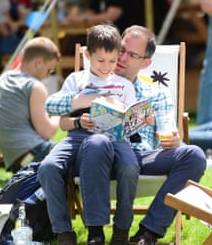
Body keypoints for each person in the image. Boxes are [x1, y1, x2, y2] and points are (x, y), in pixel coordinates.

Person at [42, 25, 207, 245]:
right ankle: (90, 232)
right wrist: (82, 107)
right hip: (91, 153)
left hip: (136, 156)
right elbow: (58, 110)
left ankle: (148, 233)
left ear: (146, 63)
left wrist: (172, 138)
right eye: (121, 50)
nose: (121, 58)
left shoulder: (156, 93)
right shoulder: (86, 79)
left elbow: (167, 127)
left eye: (132, 55)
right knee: (96, 142)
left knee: (194, 155)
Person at [38, 24, 141, 245]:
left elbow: (131, 123)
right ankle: (64, 231)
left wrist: (141, 119)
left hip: (116, 139)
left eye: (112, 61)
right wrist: (78, 121)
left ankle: (121, 228)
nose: (106, 67)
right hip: (78, 137)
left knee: (130, 167)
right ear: (87, 54)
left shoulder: (124, 86)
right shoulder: (76, 81)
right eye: (100, 61)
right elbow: (63, 122)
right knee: (47, 167)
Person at [0, 36, 61, 173]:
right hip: (34, 154)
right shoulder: (35, 87)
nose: (48, 76)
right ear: (39, 62)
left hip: (17, 163)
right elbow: (47, 133)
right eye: (49, 70)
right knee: (83, 151)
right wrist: (60, 111)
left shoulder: (2, 80)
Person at [65, 0, 137, 33]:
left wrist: (82, 18)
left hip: (125, 34)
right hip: (107, 34)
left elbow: (110, 17)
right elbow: (91, 12)